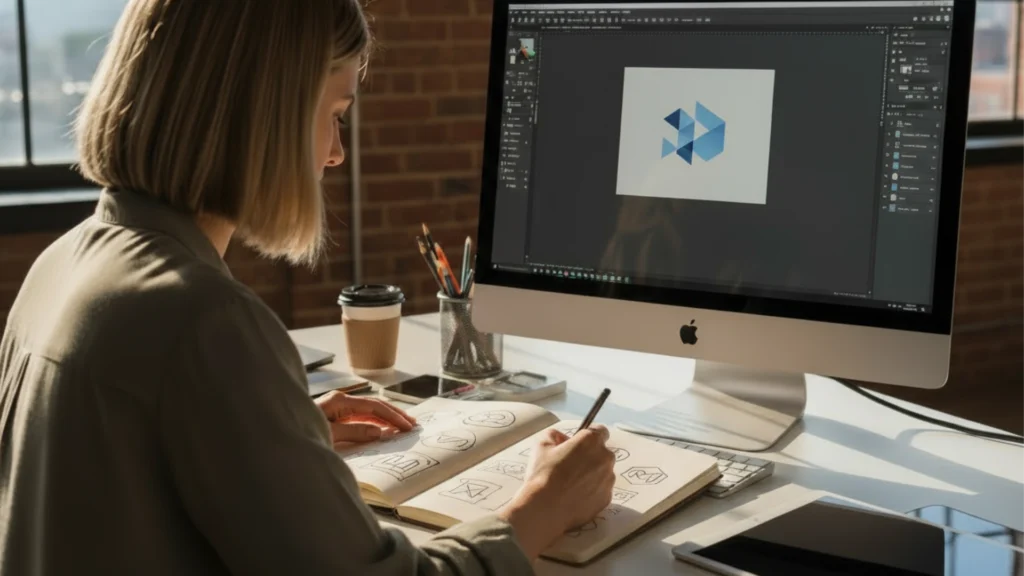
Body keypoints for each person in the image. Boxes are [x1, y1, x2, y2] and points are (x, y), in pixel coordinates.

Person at [0, 2, 616, 575]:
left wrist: (273, 431)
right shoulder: (203, 320)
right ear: (265, 113)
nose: (336, 154)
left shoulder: (62, 264)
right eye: (335, 116)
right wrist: (540, 506)